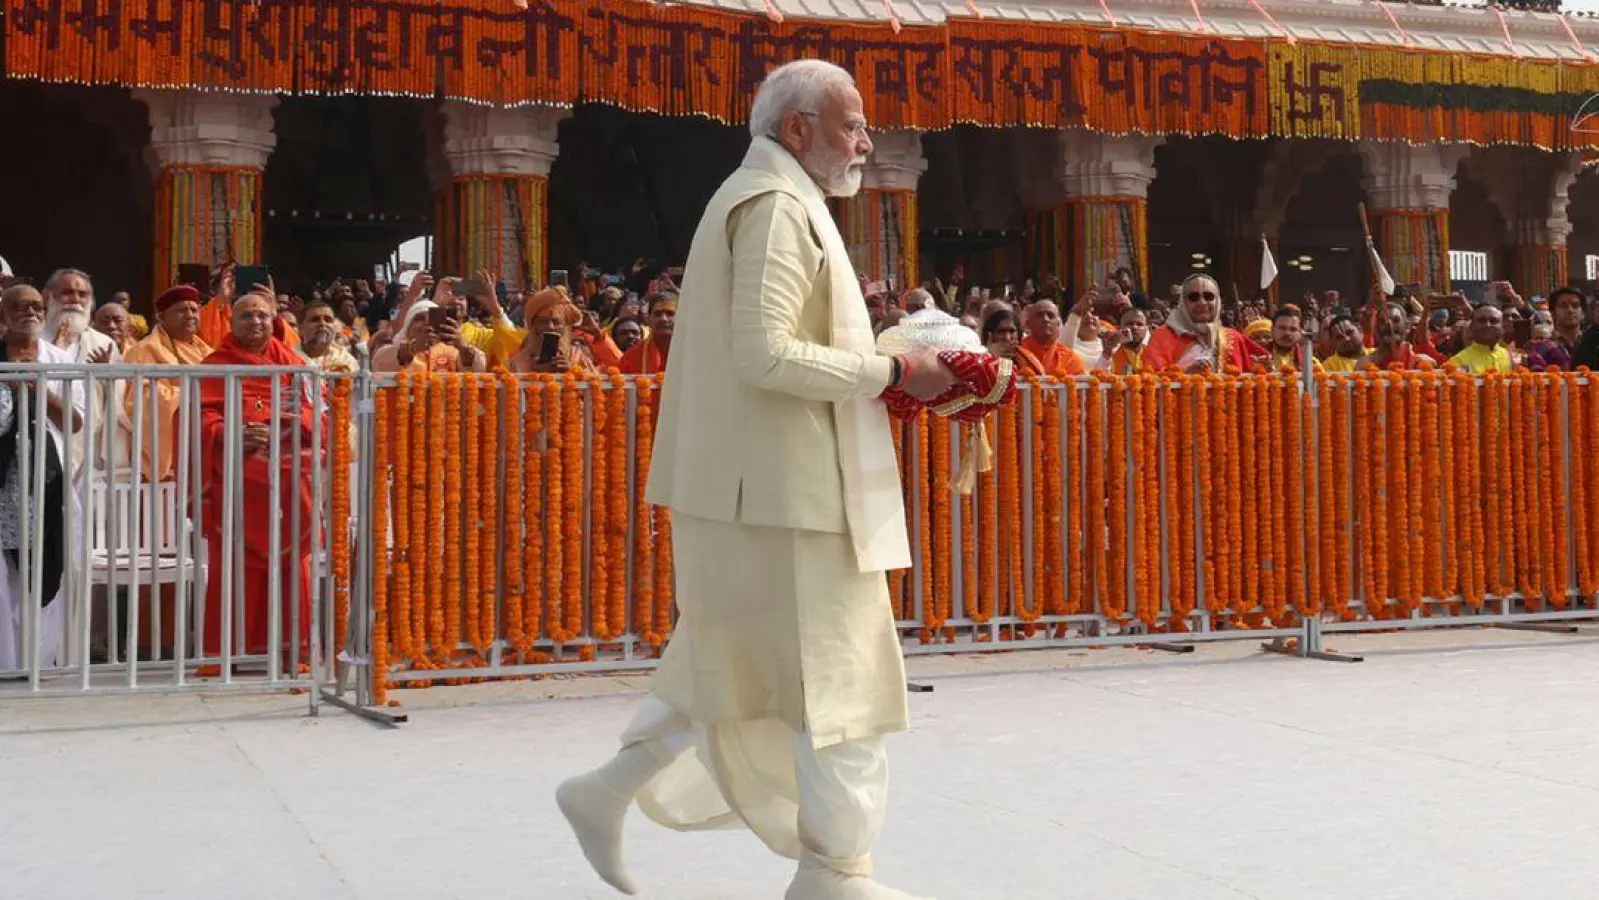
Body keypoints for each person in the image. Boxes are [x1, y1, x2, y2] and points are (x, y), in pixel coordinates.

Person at [556, 59, 957, 900]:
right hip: (786, 493)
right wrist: (889, 370)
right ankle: (835, 873)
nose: (865, 138)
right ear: (796, 129)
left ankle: (605, 790)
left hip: (759, 487)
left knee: (730, 660)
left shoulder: (769, 197)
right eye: (850, 123)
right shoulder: (774, 206)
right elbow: (764, 353)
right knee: (839, 683)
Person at [197, 292, 319, 662]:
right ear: (231, 323)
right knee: (233, 568)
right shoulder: (215, 364)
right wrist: (231, 432)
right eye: (247, 316)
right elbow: (199, 419)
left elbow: (318, 415)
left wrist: (290, 423)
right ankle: (228, 654)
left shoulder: (295, 363)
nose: (256, 322)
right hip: (236, 484)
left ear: (274, 321)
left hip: (286, 483)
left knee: (291, 566)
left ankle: (290, 652)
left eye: (263, 316)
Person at [0, 285, 85, 673]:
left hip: (47, 483)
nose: (30, 312)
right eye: (19, 306)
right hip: (5, 487)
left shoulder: (59, 358)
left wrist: (39, 391)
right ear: (4, 311)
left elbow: (76, 421)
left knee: (45, 573)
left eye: (36, 306)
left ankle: (36, 661)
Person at [122, 285, 214, 480]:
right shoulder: (144, 350)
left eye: (194, 310)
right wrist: (195, 396)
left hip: (206, 439)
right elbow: (143, 398)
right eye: (181, 310)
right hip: (170, 446)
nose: (190, 315)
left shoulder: (208, 352)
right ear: (161, 317)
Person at [43, 268, 123, 477]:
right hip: (41, 439)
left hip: (88, 446)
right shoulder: (34, 340)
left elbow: (120, 402)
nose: (75, 300)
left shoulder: (104, 344)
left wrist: (107, 377)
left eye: (83, 294)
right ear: (47, 296)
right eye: (67, 292)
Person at [1143, 274, 1257, 373]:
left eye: (1208, 296)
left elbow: (1258, 371)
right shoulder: (1163, 336)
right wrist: (1185, 373)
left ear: (1218, 302)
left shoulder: (1234, 337)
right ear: (1183, 303)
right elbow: (1150, 379)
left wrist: (1265, 366)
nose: (1202, 302)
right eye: (1193, 297)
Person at [371, 300, 486, 374]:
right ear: (408, 325)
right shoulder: (395, 349)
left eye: (431, 318)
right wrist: (413, 348)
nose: (426, 323)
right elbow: (379, 365)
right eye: (419, 319)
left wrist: (463, 347)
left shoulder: (455, 352)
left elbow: (479, 369)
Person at [508, 289, 606, 375]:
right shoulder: (518, 361)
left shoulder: (578, 356)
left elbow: (596, 387)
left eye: (556, 322)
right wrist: (536, 374)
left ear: (565, 327)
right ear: (534, 327)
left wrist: (572, 371)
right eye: (543, 321)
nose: (550, 327)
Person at [1018, 299, 1087, 378]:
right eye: (1039, 315)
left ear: (1058, 323)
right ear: (1028, 323)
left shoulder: (1070, 359)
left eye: (1050, 316)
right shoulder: (1017, 353)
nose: (1046, 319)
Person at [1360, 302, 1436, 371]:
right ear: (1377, 330)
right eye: (1383, 321)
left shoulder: (1424, 362)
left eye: (1396, 320)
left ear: (1407, 326)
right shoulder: (1365, 365)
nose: (1389, 325)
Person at [617, 290, 676, 375]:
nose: (663, 319)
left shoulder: (695, 351)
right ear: (649, 319)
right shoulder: (632, 356)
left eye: (670, 313)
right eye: (657, 314)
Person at [1449, 305, 1513, 373]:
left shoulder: (1507, 355)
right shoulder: (1457, 362)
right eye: (1482, 321)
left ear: (1502, 327)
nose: (1488, 325)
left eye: (1493, 321)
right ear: (1471, 326)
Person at [300, 301, 358, 374]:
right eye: (315, 319)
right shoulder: (289, 355)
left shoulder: (345, 360)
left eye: (328, 320)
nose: (323, 324)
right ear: (301, 328)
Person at [1257, 307, 1320, 372]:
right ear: (1272, 330)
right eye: (1282, 328)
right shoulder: (1258, 358)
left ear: (1300, 333)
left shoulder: (1311, 363)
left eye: (1293, 329)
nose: (1287, 333)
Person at [1106, 307, 1149, 374]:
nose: (1134, 327)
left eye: (1139, 324)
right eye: (1129, 324)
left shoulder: (1154, 354)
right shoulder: (1109, 355)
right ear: (1120, 328)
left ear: (1146, 329)